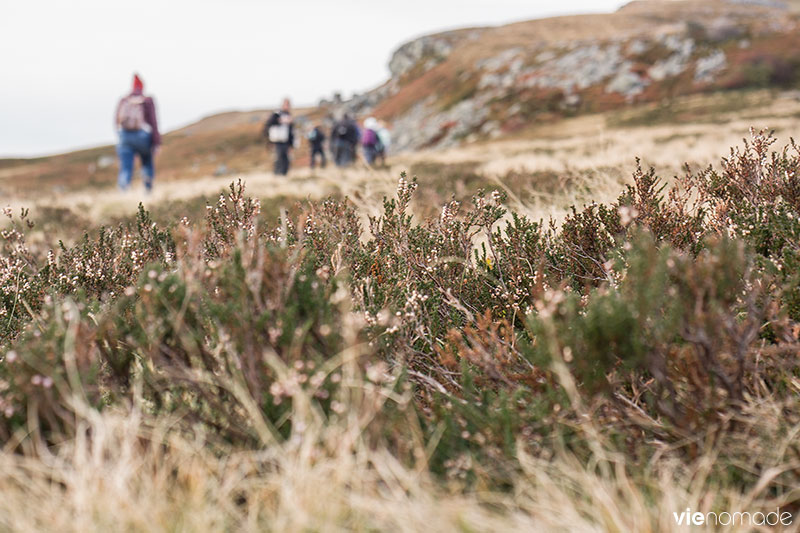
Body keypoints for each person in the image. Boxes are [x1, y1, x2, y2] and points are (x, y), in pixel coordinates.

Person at [115, 73, 161, 192]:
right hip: (143, 137)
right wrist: (156, 143)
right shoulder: (147, 100)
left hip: (125, 136)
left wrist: (122, 138)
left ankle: (123, 191)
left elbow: (116, 121)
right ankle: (148, 189)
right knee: (146, 163)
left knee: (125, 167)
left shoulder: (124, 100)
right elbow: (153, 122)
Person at [263, 98, 295, 175]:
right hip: (277, 140)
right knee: (279, 157)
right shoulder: (276, 114)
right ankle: (277, 174)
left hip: (285, 140)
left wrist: (291, 143)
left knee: (286, 158)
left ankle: (284, 174)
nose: (287, 107)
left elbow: (290, 131)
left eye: (288, 105)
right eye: (286, 104)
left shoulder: (289, 115)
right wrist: (280, 121)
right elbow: (269, 123)